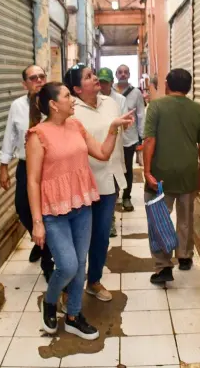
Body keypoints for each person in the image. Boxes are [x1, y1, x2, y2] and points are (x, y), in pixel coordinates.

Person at [26, 82, 133, 340]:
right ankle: (50, 302)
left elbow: (103, 153)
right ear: (53, 104)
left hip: (82, 206)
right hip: (54, 211)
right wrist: (37, 222)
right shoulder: (37, 135)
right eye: (66, 96)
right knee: (68, 265)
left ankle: (74, 315)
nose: (72, 99)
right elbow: (33, 181)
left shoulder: (76, 126)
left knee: (80, 263)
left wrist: (113, 129)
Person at [63, 64, 129, 302]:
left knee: (101, 235)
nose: (95, 79)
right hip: (83, 184)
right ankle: (68, 287)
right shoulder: (71, 110)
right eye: (89, 77)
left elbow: (115, 138)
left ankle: (94, 280)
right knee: (78, 238)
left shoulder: (110, 102)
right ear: (77, 89)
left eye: (94, 74)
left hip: (109, 179)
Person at [142, 69, 200, 284]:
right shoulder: (197, 109)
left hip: (160, 174)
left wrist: (146, 170)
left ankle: (163, 266)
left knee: (159, 218)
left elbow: (150, 140)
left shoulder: (156, 106)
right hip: (188, 171)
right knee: (186, 216)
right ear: (188, 87)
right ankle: (184, 256)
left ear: (166, 84)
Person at [0, 65, 55, 279]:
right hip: (26, 164)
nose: (39, 80)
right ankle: (40, 241)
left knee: (48, 213)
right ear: (25, 84)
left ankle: (48, 261)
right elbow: (10, 136)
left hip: (50, 166)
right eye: (33, 78)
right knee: (23, 208)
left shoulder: (53, 103)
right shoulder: (18, 106)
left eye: (42, 76)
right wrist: (3, 166)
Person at [97, 67, 127, 238]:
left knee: (114, 187)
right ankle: (103, 220)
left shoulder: (119, 100)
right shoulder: (91, 101)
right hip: (97, 150)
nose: (102, 86)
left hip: (115, 149)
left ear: (111, 83)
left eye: (105, 83)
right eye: (100, 82)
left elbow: (124, 122)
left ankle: (111, 220)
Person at [113, 64, 145, 212]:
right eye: (120, 72)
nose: (123, 74)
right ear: (116, 74)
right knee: (112, 168)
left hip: (129, 137)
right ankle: (114, 195)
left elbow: (140, 115)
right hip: (112, 137)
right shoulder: (108, 90)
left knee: (127, 169)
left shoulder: (136, 93)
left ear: (129, 74)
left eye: (126, 72)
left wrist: (141, 136)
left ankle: (127, 196)